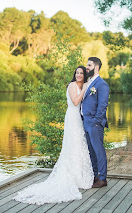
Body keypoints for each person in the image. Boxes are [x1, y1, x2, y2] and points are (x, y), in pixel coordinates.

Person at [13, 66, 94, 205]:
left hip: (78, 118)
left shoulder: (82, 85)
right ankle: (71, 176)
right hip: (72, 117)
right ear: (74, 74)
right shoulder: (72, 85)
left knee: (78, 144)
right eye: (77, 73)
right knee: (73, 144)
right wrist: (86, 89)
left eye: (81, 73)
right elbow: (75, 101)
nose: (79, 75)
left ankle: (79, 176)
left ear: (84, 75)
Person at [81, 57, 110, 188]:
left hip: (94, 123)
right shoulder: (88, 83)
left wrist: (95, 122)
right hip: (86, 122)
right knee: (91, 151)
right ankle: (95, 176)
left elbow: (103, 106)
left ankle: (103, 178)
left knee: (99, 151)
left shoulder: (101, 84)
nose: (86, 68)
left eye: (89, 65)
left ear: (96, 67)